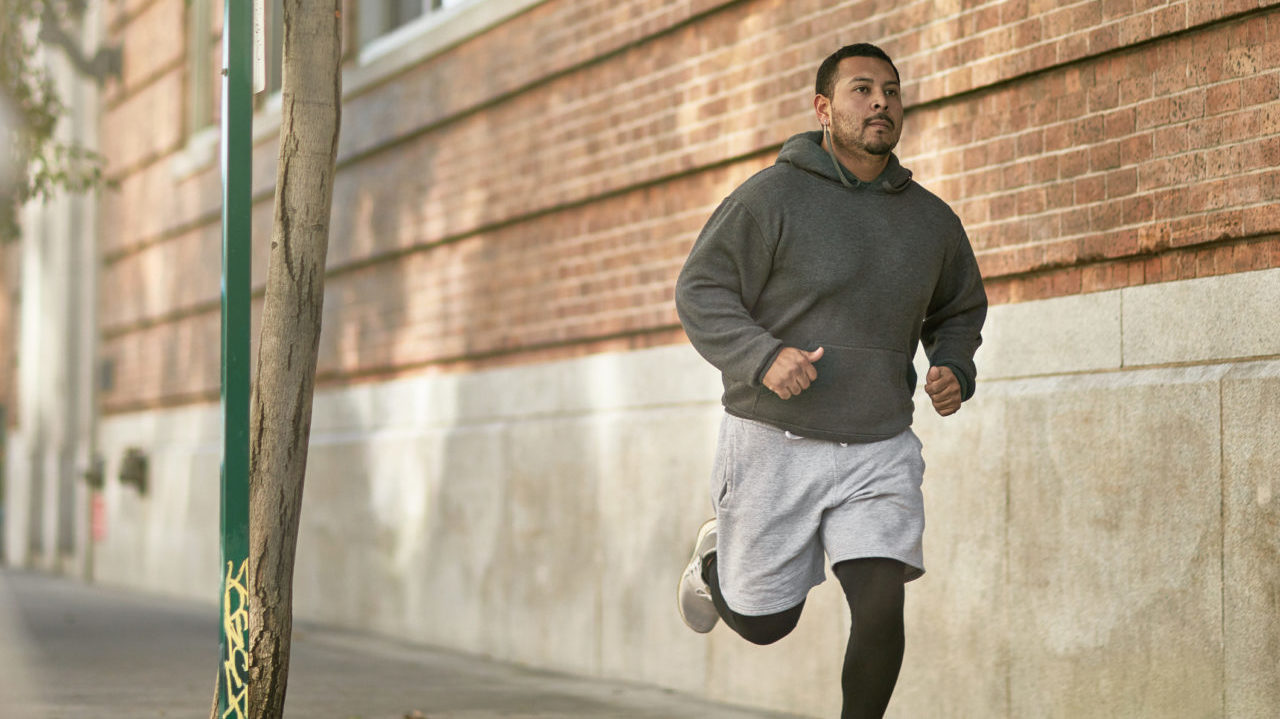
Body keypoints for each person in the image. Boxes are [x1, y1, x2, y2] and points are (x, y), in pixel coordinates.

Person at [673, 43, 987, 718]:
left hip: (878, 441)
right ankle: (713, 564)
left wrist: (953, 366)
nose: (881, 102)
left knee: (880, 605)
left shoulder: (930, 220)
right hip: (773, 437)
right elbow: (701, 288)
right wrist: (760, 355)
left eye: (892, 91)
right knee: (765, 622)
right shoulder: (771, 196)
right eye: (862, 90)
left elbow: (959, 308)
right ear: (824, 108)